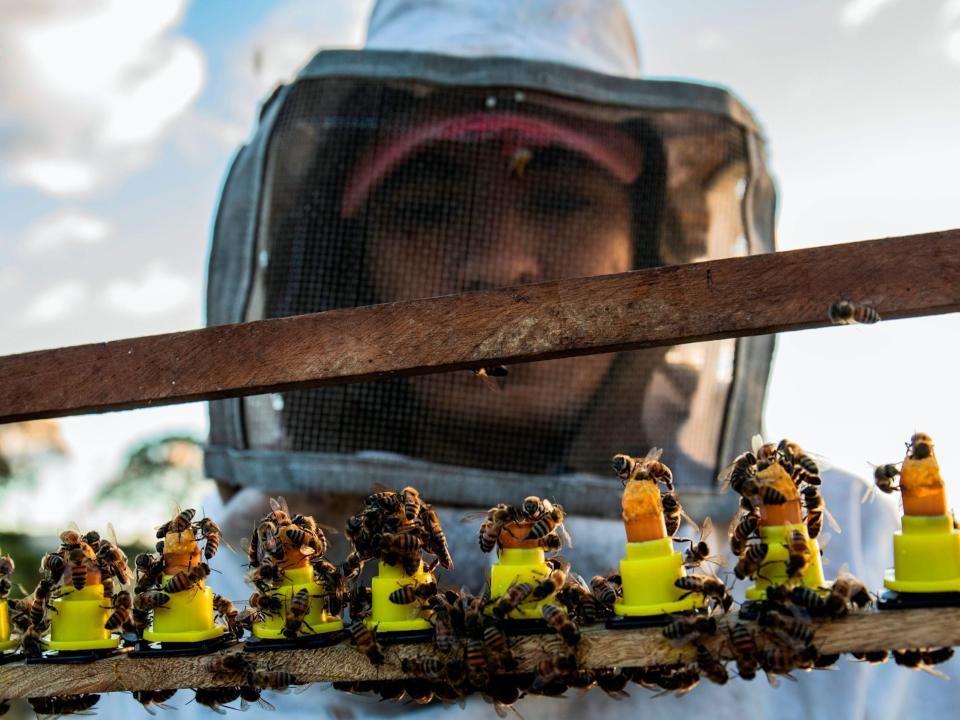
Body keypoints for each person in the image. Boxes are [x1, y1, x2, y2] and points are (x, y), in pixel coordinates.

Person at [192, 1, 942, 718]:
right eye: (428, 210)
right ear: (348, 266)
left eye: (561, 201)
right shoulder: (226, 580)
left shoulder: (848, 545)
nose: (499, 262)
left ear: (647, 254)